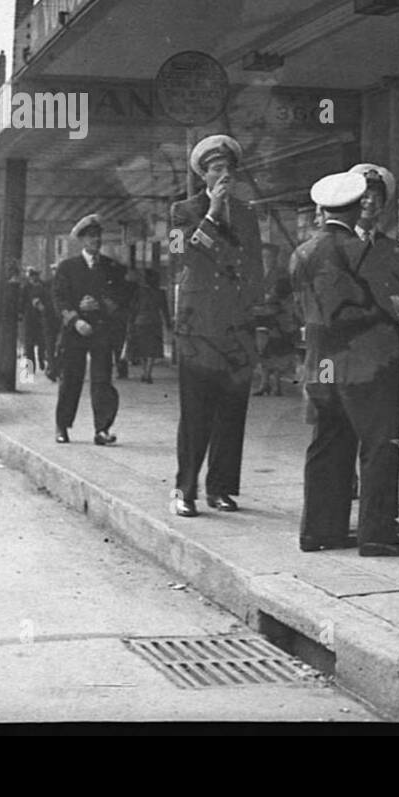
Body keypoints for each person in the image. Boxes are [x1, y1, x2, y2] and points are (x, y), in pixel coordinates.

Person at [290, 171, 399, 557]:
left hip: (320, 362)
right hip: (369, 363)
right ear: (353, 207)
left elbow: (299, 306)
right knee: (380, 445)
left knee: (327, 444)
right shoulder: (362, 251)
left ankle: (318, 530)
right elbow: (396, 301)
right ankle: (377, 534)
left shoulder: (302, 252)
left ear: (324, 208)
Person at [170, 135, 267, 517]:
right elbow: (180, 258)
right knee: (196, 412)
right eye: (216, 170)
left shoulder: (247, 214)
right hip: (198, 327)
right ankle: (185, 489)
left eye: (229, 169)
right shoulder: (182, 211)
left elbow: (256, 267)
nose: (224, 175)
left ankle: (221, 487)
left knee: (232, 410)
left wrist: (257, 318)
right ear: (203, 175)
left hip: (236, 326)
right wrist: (211, 214)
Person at [349, 162, 399, 533]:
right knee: (345, 435)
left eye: (377, 195)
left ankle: (383, 516)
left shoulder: (393, 248)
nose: (370, 201)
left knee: (386, 438)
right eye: (364, 194)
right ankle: (345, 508)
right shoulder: (338, 243)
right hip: (348, 354)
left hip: (385, 352)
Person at [52, 215, 130, 445]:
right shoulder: (67, 268)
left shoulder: (111, 268)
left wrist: (101, 304)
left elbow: (121, 298)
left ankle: (102, 429)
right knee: (71, 380)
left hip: (101, 331)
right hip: (75, 331)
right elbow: (58, 298)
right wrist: (76, 317)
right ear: (81, 240)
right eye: (90, 237)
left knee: (102, 380)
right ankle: (62, 426)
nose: (95, 241)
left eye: (98, 236)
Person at [252, 244, 297, 396]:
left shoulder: (281, 275)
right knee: (263, 350)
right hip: (262, 315)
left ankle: (276, 384)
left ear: (275, 258)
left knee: (276, 350)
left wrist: (265, 299)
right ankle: (264, 383)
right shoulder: (258, 275)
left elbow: (277, 295)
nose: (266, 260)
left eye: (269, 257)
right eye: (263, 257)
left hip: (278, 318)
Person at [127, 268, 171, 383]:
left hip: (140, 322)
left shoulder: (139, 292)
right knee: (153, 348)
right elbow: (165, 310)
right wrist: (168, 324)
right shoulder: (161, 293)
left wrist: (130, 323)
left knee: (142, 348)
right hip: (155, 322)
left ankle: (144, 371)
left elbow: (133, 308)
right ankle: (148, 373)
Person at [19, 267, 52, 374]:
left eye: (35, 276)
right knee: (29, 345)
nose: (34, 278)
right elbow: (22, 302)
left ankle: (41, 360)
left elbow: (49, 299)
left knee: (42, 342)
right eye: (32, 276)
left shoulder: (43, 286)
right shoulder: (25, 287)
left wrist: (43, 306)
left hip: (41, 318)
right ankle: (30, 368)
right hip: (29, 318)